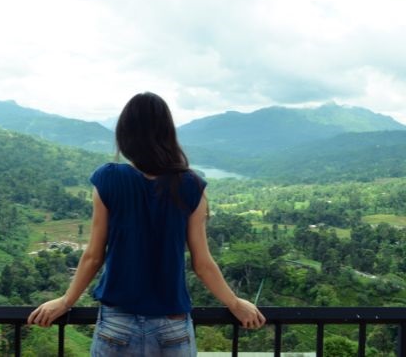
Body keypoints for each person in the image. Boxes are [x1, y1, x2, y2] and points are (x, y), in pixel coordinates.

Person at [27, 92, 265, 356]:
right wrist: (234, 303)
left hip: (117, 322)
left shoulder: (108, 179)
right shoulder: (191, 184)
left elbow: (94, 255)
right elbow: (202, 263)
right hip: (172, 325)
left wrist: (65, 301)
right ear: (167, 133)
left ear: (125, 134)